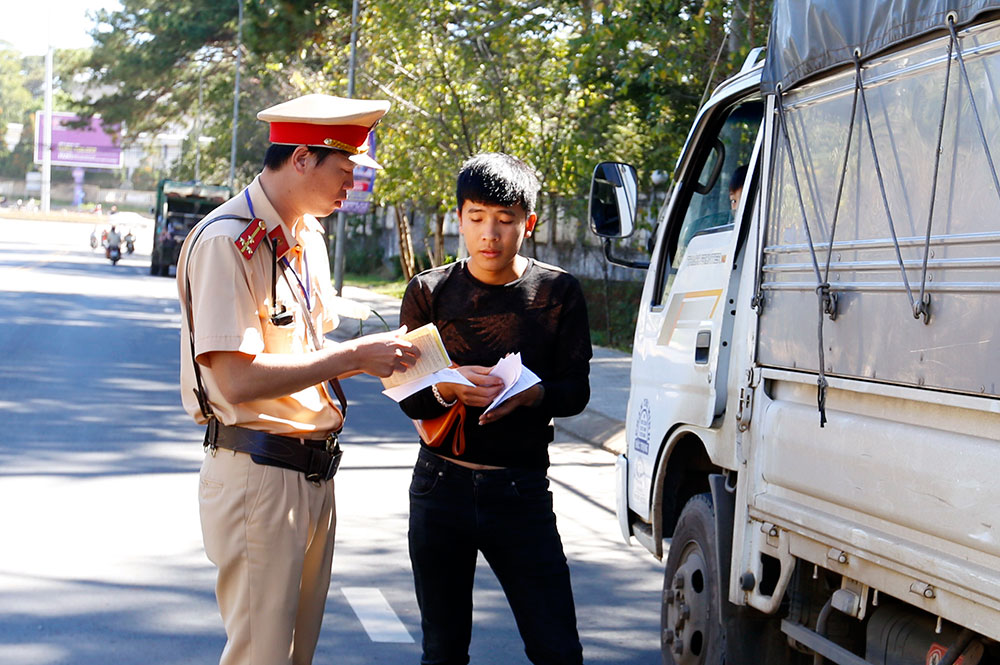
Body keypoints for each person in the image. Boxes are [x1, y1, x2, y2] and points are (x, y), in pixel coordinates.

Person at [176, 93, 419, 665]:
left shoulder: (305, 237)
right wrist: (354, 357)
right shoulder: (226, 243)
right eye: (345, 170)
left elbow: (307, 346)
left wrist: (380, 357)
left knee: (293, 656)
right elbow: (234, 379)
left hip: (310, 472)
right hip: (259, 473)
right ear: (303, 158)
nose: (351, 185)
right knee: (262, 656)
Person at [398, 152, 592, 665]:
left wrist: (536, 395)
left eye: (505, 221)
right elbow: (409, 397)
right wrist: (449, 387)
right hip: (440, 488)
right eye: (477, 219)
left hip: (520, 490)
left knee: (557, 650)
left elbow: (576, 390)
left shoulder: (557, 293)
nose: (490, 235)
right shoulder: (429, 292)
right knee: (443, 652)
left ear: (528, 224)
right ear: (458, 217)